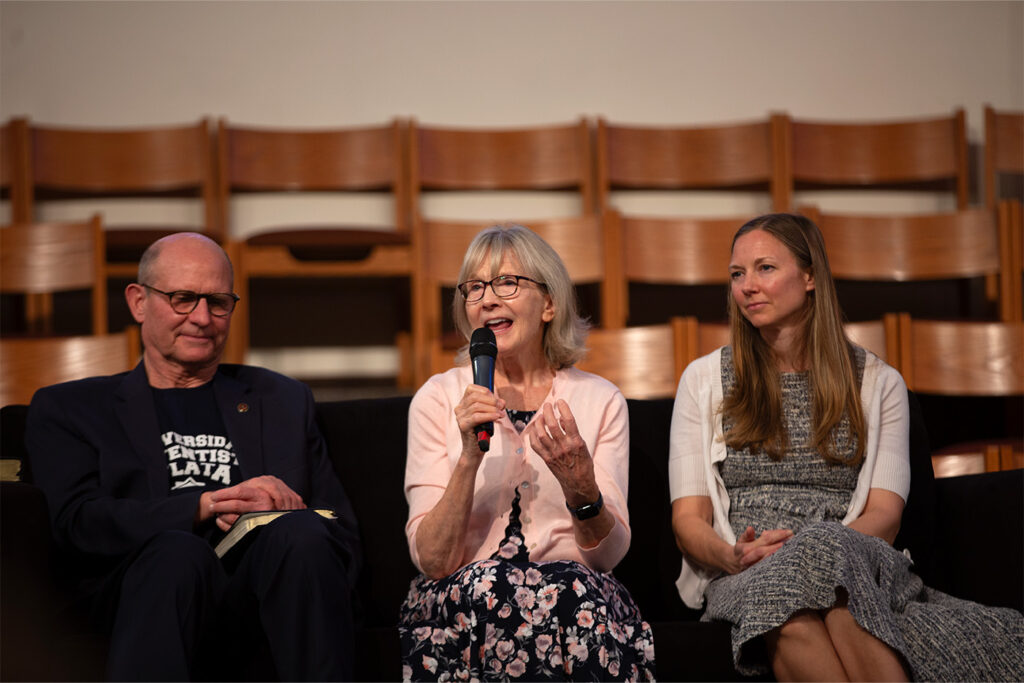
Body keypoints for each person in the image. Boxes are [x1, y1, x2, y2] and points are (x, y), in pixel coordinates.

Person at [669, 213, 1023, 681]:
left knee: (830, 591)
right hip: (747, 571)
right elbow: (688, 520)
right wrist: (731, 555)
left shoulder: (879, 384)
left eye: (765, 268)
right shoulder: (703, 380)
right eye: (738, 274)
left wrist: (819, 547)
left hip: (854, 557)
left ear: (810, 276)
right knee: (792, 615)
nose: (747, 286)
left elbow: (885, 516)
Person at [25, 232, 362, 681]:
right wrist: (204, 505)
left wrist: (291, 511)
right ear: (138, 302)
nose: (202, 318)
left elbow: (341, 532)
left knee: (302, 534)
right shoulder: (71, 409)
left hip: (257, 594)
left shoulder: (282, 400)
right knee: (177, 553)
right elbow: (74, 524)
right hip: (143, 595)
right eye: (183, 299)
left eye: (218, 302)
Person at [400, 224, 655, 681]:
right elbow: (433, 561)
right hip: (468, 598)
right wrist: (467, 458)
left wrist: (581, 486)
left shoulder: (599, 401)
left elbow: (608, 557)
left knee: (573, 591)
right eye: (474, 287)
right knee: (490, 586)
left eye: (507, 282)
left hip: (574, 594)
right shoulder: (438, 399)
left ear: (550, 303)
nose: (487, 300)